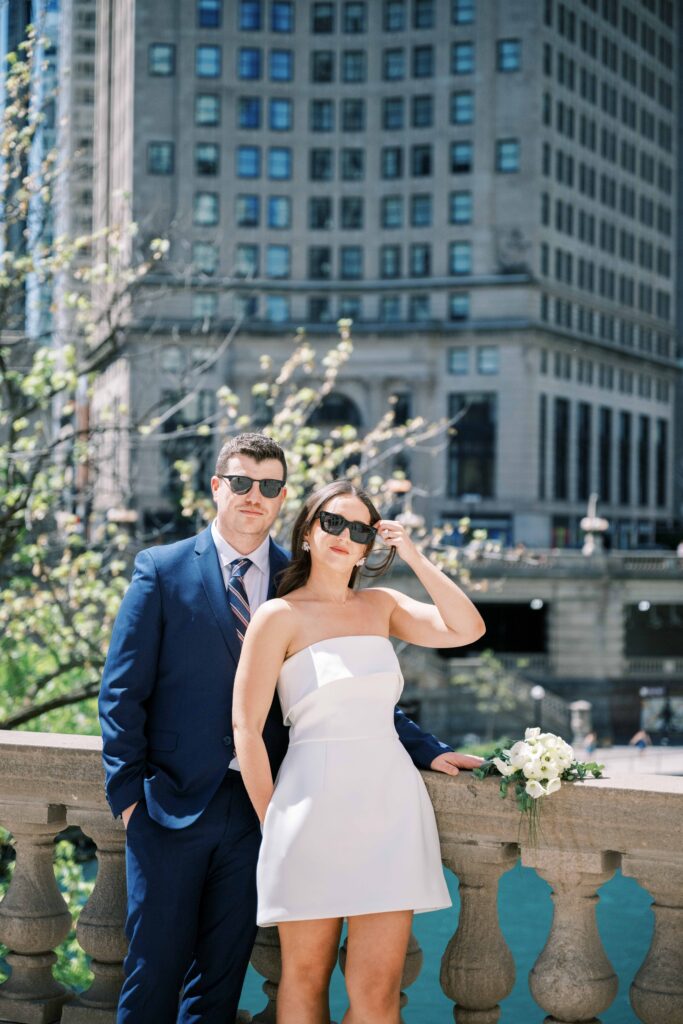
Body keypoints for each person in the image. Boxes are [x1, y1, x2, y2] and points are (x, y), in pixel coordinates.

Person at [98, 436, 473, 1024]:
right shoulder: (163, 569)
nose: (255, 495)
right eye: (241, 482)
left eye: (269, 486)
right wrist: (127, 799)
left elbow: (349, 692)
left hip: (272, 807)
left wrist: (428, 749)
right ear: (217, 486)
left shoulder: (297, 577)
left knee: (220, 978)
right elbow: (123, 691)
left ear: (282, 499)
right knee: (154, 968)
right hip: (177, 801)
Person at [233, 480, 486, 1024]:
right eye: (332, 522)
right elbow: (246, 728)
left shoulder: (383, 605)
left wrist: (412, 554)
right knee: (304, 978)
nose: (344, 536)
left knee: (377, 993)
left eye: (360, 530)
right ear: (307, 532)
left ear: (371, 545)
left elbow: (468, 627)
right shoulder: (277, 615)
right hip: (308, 808)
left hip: (390, 809)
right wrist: (272, 820)